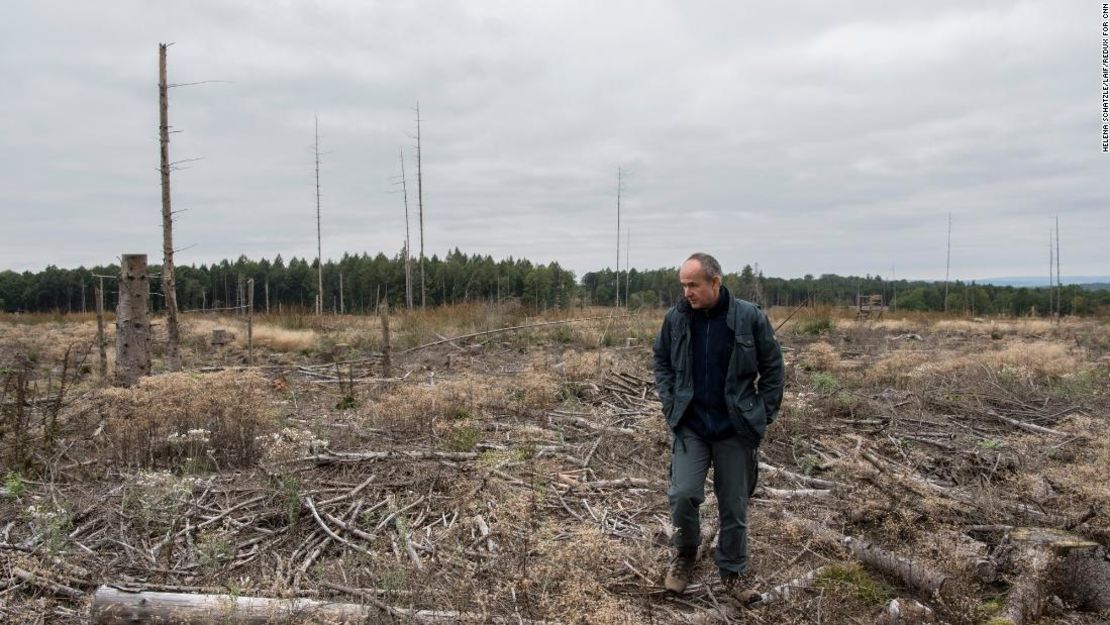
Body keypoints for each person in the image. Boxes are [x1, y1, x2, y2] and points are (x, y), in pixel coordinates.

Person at [652, 252, 784, 604]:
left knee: (734, 504)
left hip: (735, 427)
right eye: (683, 285)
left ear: (715, 282)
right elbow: (661, 361)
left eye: (692, 285)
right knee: (682, 494)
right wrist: (670, 404)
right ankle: (685, 554)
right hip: (691, 426)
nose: (686, 293)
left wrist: (763, 413)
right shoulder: (677, 319)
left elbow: (773, 368)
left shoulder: (749, 318)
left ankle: (733, 572)